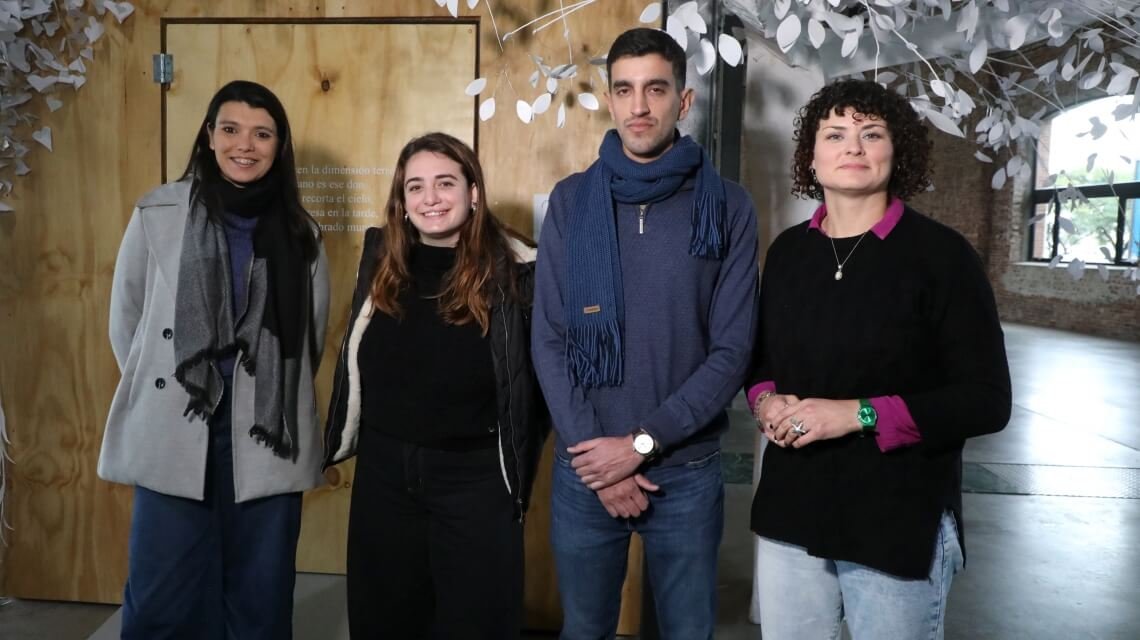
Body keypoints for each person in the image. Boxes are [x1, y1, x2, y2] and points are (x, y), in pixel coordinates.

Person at [747, 78, 1012, 639]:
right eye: (836, 134)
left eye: (872, 134)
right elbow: (761, 361)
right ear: (812, 157)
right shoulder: (790, 253)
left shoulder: (942, 258)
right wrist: (767, 400)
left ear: (898, 152)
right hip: (793, 508)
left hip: (897, 517)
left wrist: (856, 414)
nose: (854, 147)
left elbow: (986, 401)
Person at [531, 27, 759, 639]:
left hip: (686, 470)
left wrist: (638, 447)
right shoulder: (572, 201)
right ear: (609, 99)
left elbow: (733, 351)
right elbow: (549, 339)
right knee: (584, 630)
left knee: (687, 631)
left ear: (682, 102)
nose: (639, 106)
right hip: (587, 467)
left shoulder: (730, 207)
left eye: (655, 89)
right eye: (625, 90)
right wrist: (599, 460)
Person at [98, 79, 330, 639]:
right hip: (177, 425)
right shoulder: (158, 211)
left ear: (279, 145)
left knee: (260, 597)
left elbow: (310, 341)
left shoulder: (302, 233)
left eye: (261, 133)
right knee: (160, 597)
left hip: (262, 432)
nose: (243, 144)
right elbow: (128, 323)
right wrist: (183, 378)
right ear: (207, 136)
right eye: (229, 129)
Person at [322, 132, 547, 639]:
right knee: (385, 620)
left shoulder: (520, 268)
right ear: (401, 201)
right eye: (415, 187)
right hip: (384, 473)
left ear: (473, 192)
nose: (430, 199)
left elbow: (539, 387)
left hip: (474, 478)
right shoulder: (381, 258)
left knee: (476, 622)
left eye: (445, 183)